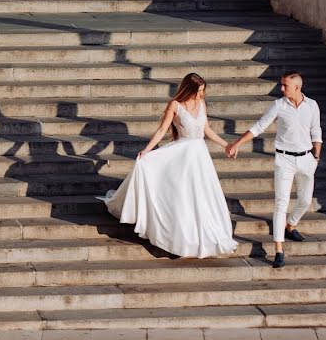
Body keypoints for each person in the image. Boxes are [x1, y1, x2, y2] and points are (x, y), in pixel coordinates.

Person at [101, 73, 238, 258]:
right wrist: (147, 150)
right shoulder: (175, 105)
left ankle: (202, 235)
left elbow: (207, 130)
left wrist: (226, 145)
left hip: (200, 157)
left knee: (201, 196)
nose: (201, 95)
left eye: (203, 91)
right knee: (182, 196)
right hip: (182, 155)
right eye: (198, 91)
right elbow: (162, 130)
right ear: (188, 89)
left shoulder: (202, 104)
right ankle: (178, 235)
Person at [227, 71, 322, 268]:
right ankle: (279, 250)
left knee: (305, 201)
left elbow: (316, 131)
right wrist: (237, 143)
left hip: (306, 159)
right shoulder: (279, 105)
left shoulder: (312, 105)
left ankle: (291, 225)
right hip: (284, 159)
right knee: (281, 203)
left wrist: (316, 156)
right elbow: (259, 127)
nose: (281, 88)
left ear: (297, 87)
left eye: (285, 85)